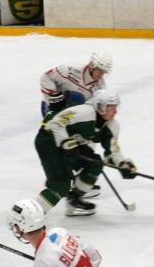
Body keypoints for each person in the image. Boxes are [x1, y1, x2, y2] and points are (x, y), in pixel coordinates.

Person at [34, 89, 137, 217]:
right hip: (48, 141)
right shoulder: (83, 112)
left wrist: (122, 164)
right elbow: (54, 123)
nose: (115, 111)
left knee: (95, 163)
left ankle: (74, 200)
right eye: (111, 108)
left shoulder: (112, 125)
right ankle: (32, 217)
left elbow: (113, 151)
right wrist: (64, 141)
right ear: (101, 106)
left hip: (72, 145)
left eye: (116, 107)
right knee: (61, 185)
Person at [40, 51, 113, 117]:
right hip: (50, 107)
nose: (101, 75)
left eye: (104, 72)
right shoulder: (69, 70)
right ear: (91, 66)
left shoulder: (100, 88)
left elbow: (94, 110)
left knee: (77, 99)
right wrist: (54, 98)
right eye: (99, 70)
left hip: (71, 117)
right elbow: (46, 78)